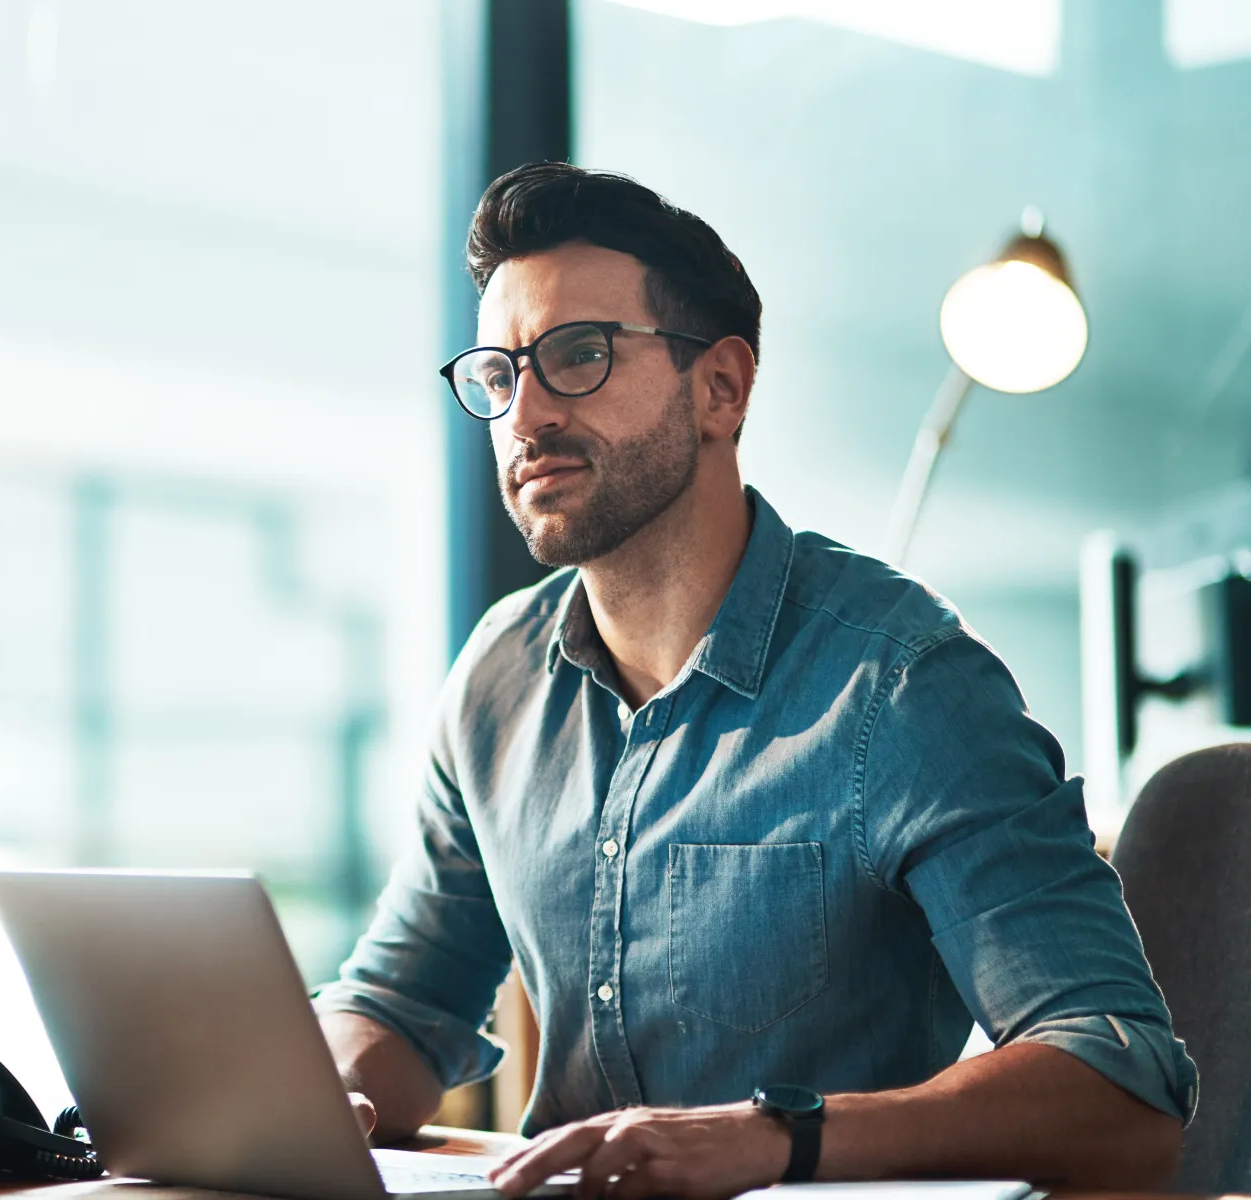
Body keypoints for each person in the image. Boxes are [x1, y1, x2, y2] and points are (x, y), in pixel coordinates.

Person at [313, 162, 1195, 1197]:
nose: (527, 415)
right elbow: (399, 1005)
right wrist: (314, 1086)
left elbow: (1119, 1084)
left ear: (719, 389)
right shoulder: (498, 682)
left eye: (578, 356)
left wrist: (775, 1139)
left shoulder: (902, 683)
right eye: (501, 376)